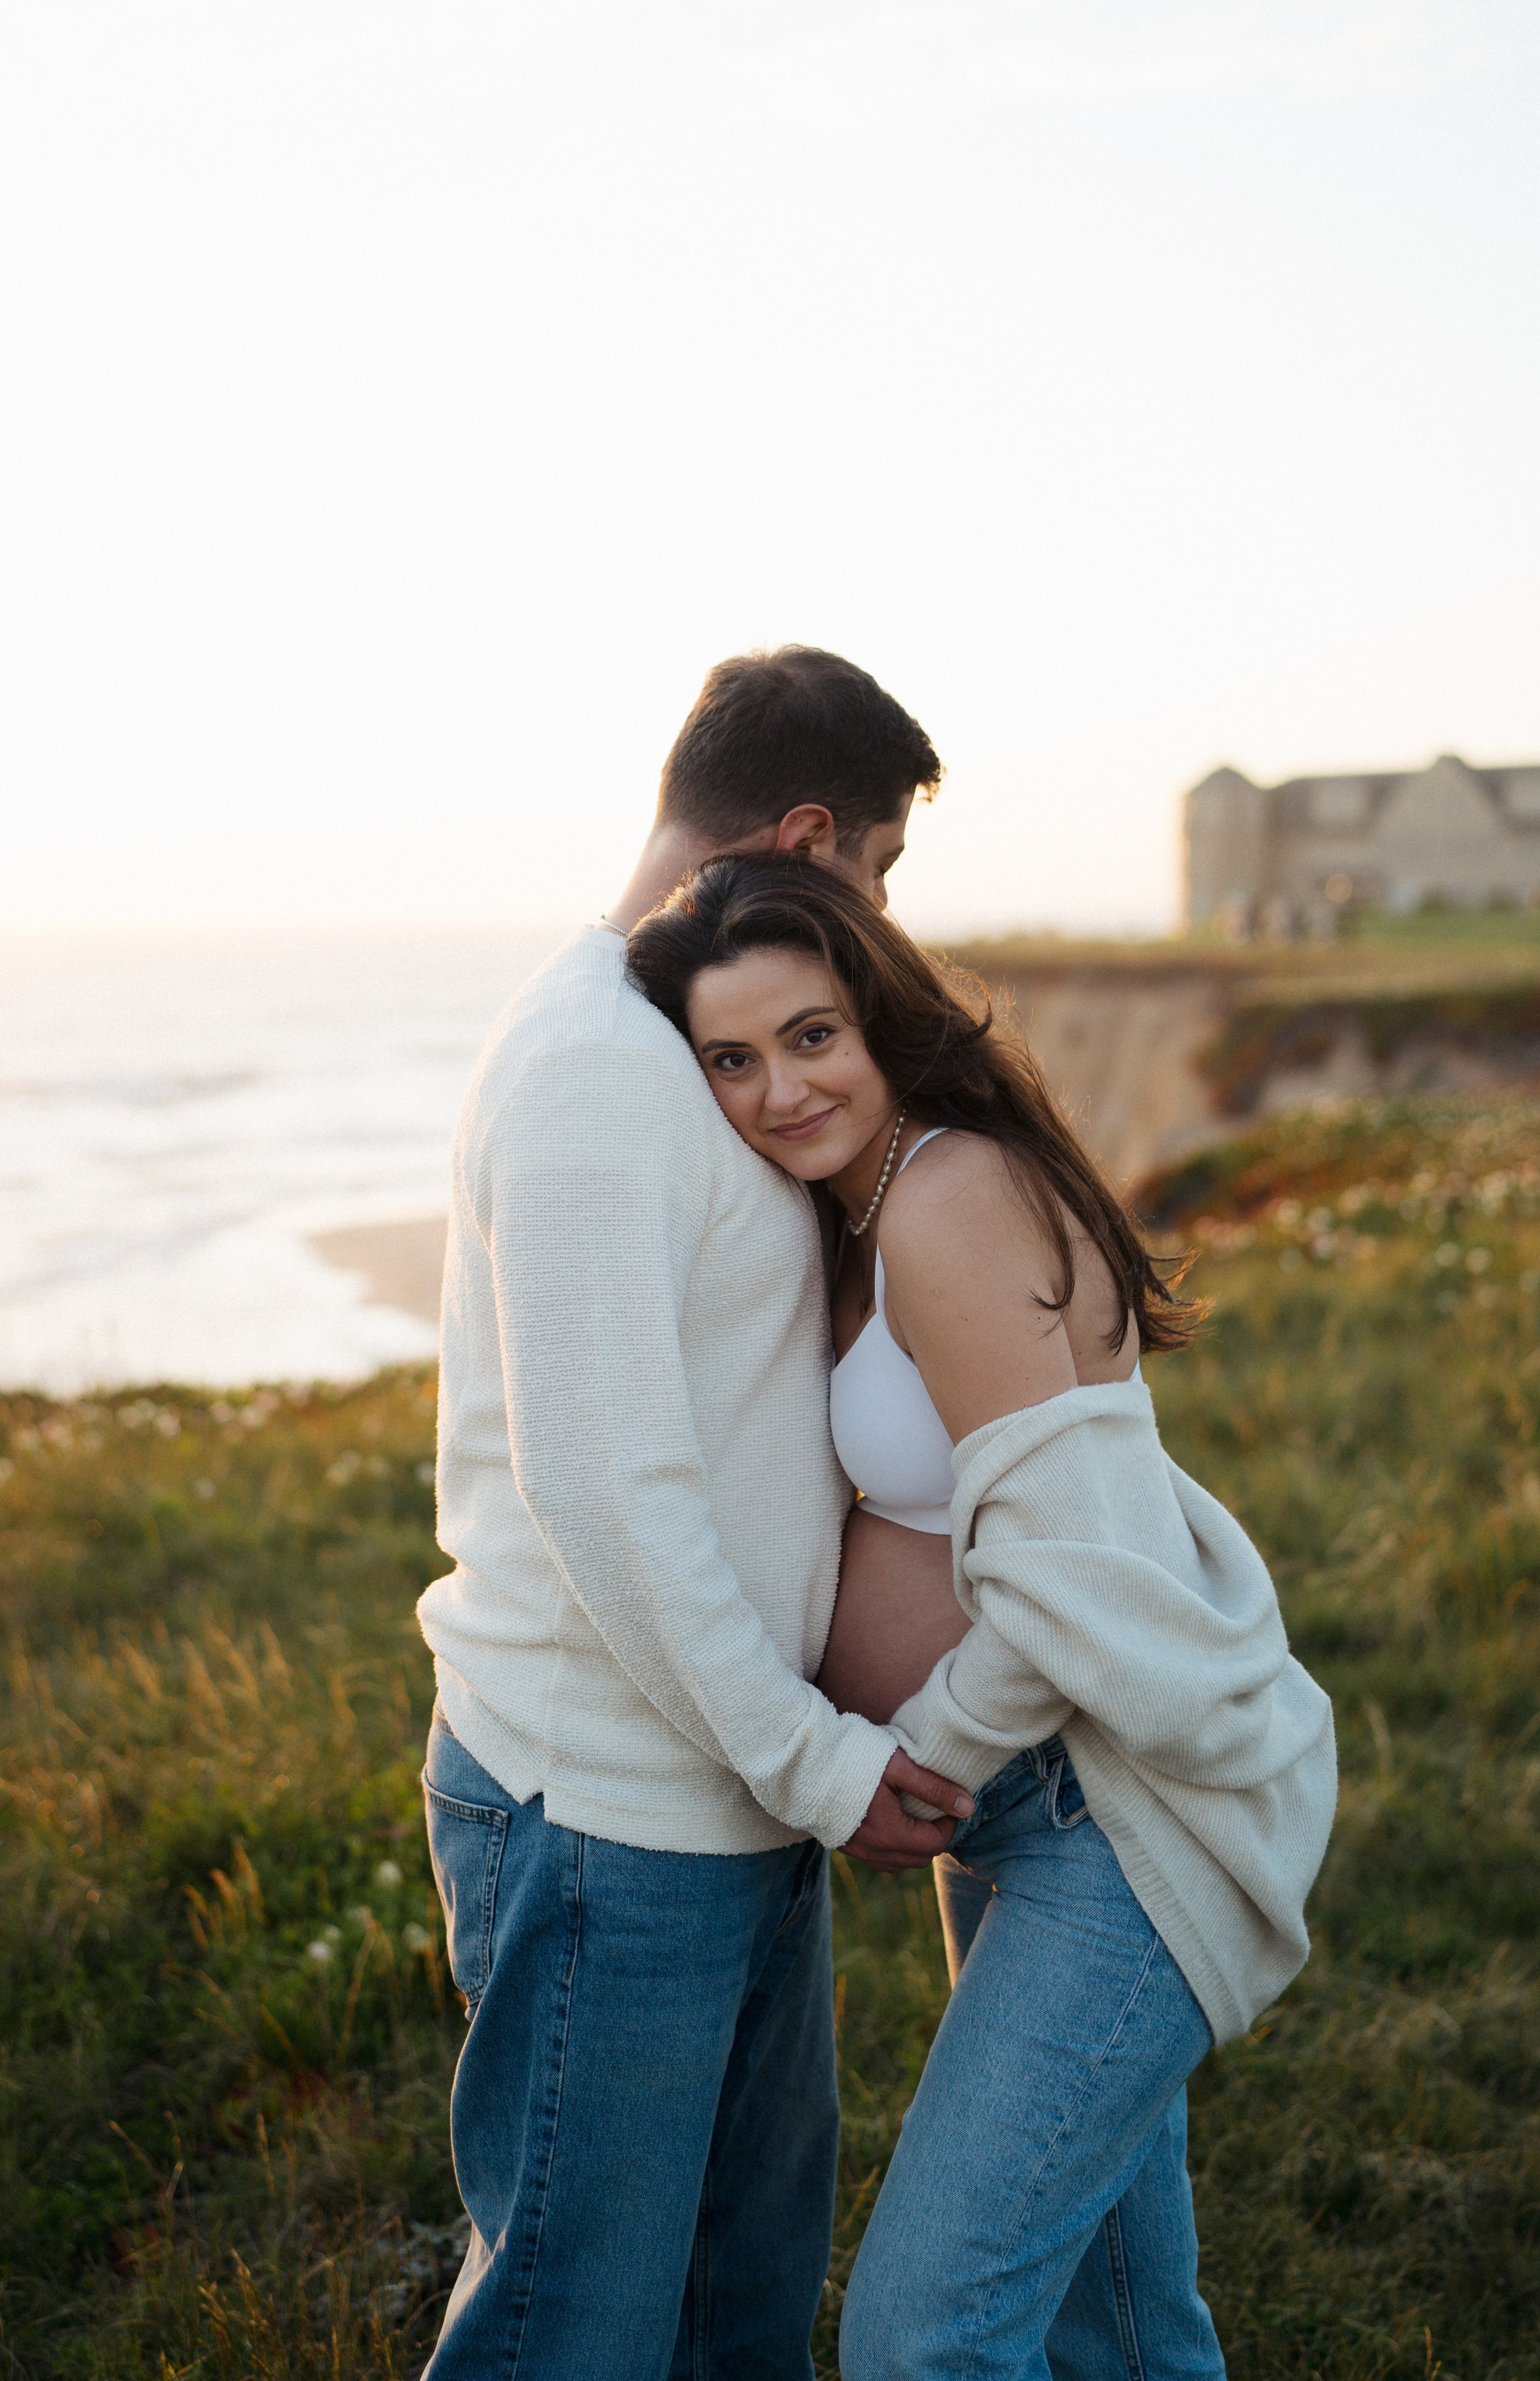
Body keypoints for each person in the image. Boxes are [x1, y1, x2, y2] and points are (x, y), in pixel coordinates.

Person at [628, 856, 1338, 2381]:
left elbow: (1063, 1580)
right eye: (729, 1060)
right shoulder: (868, 1206)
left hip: (1103, 1816)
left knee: (919, 2334)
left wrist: (918, 1761)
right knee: (1122, 2327)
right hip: (1027, 1816)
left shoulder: (948, 1195)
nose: (777, 1088)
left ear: (878, 1013)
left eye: (810, 1035)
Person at [415, 648, 977, 2381]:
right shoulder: (594, 1067)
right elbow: (607, 1491)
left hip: (728, 1783)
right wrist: (818, 1762)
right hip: (608, 1812)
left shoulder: (686, 1041)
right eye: (876, 874)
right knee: (570, 2334)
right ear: (806, 836)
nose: (876, 918)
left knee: (737, 2318)